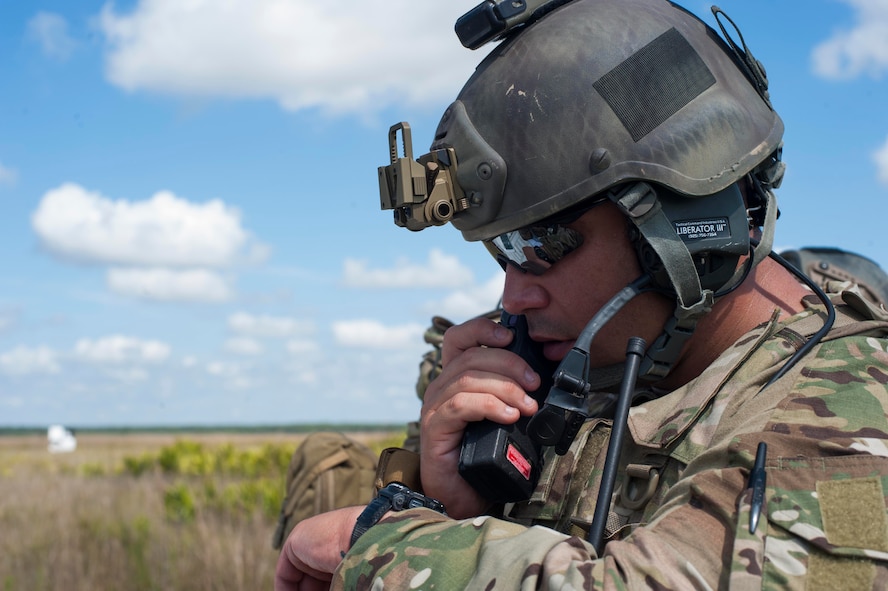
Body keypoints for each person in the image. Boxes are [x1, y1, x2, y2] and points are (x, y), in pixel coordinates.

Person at [275, 0, 888, 589]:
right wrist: (444, 502)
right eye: (502, 252)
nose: (513, 297)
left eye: (539, 245)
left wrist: (380, 544)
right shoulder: (573, 378)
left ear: (683, 224)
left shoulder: (848, 419)